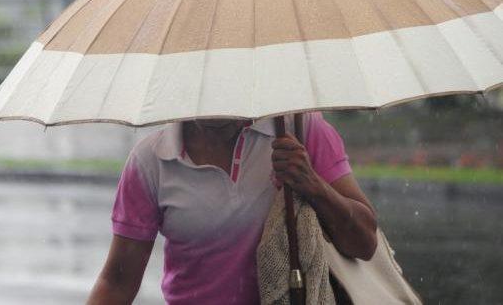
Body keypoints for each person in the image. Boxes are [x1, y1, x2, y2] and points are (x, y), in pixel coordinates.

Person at [86, 113, 377, 305]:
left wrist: (313, 184)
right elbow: (117, 283)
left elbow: (364, 243)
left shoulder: (300, 130)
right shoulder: (150, 161)